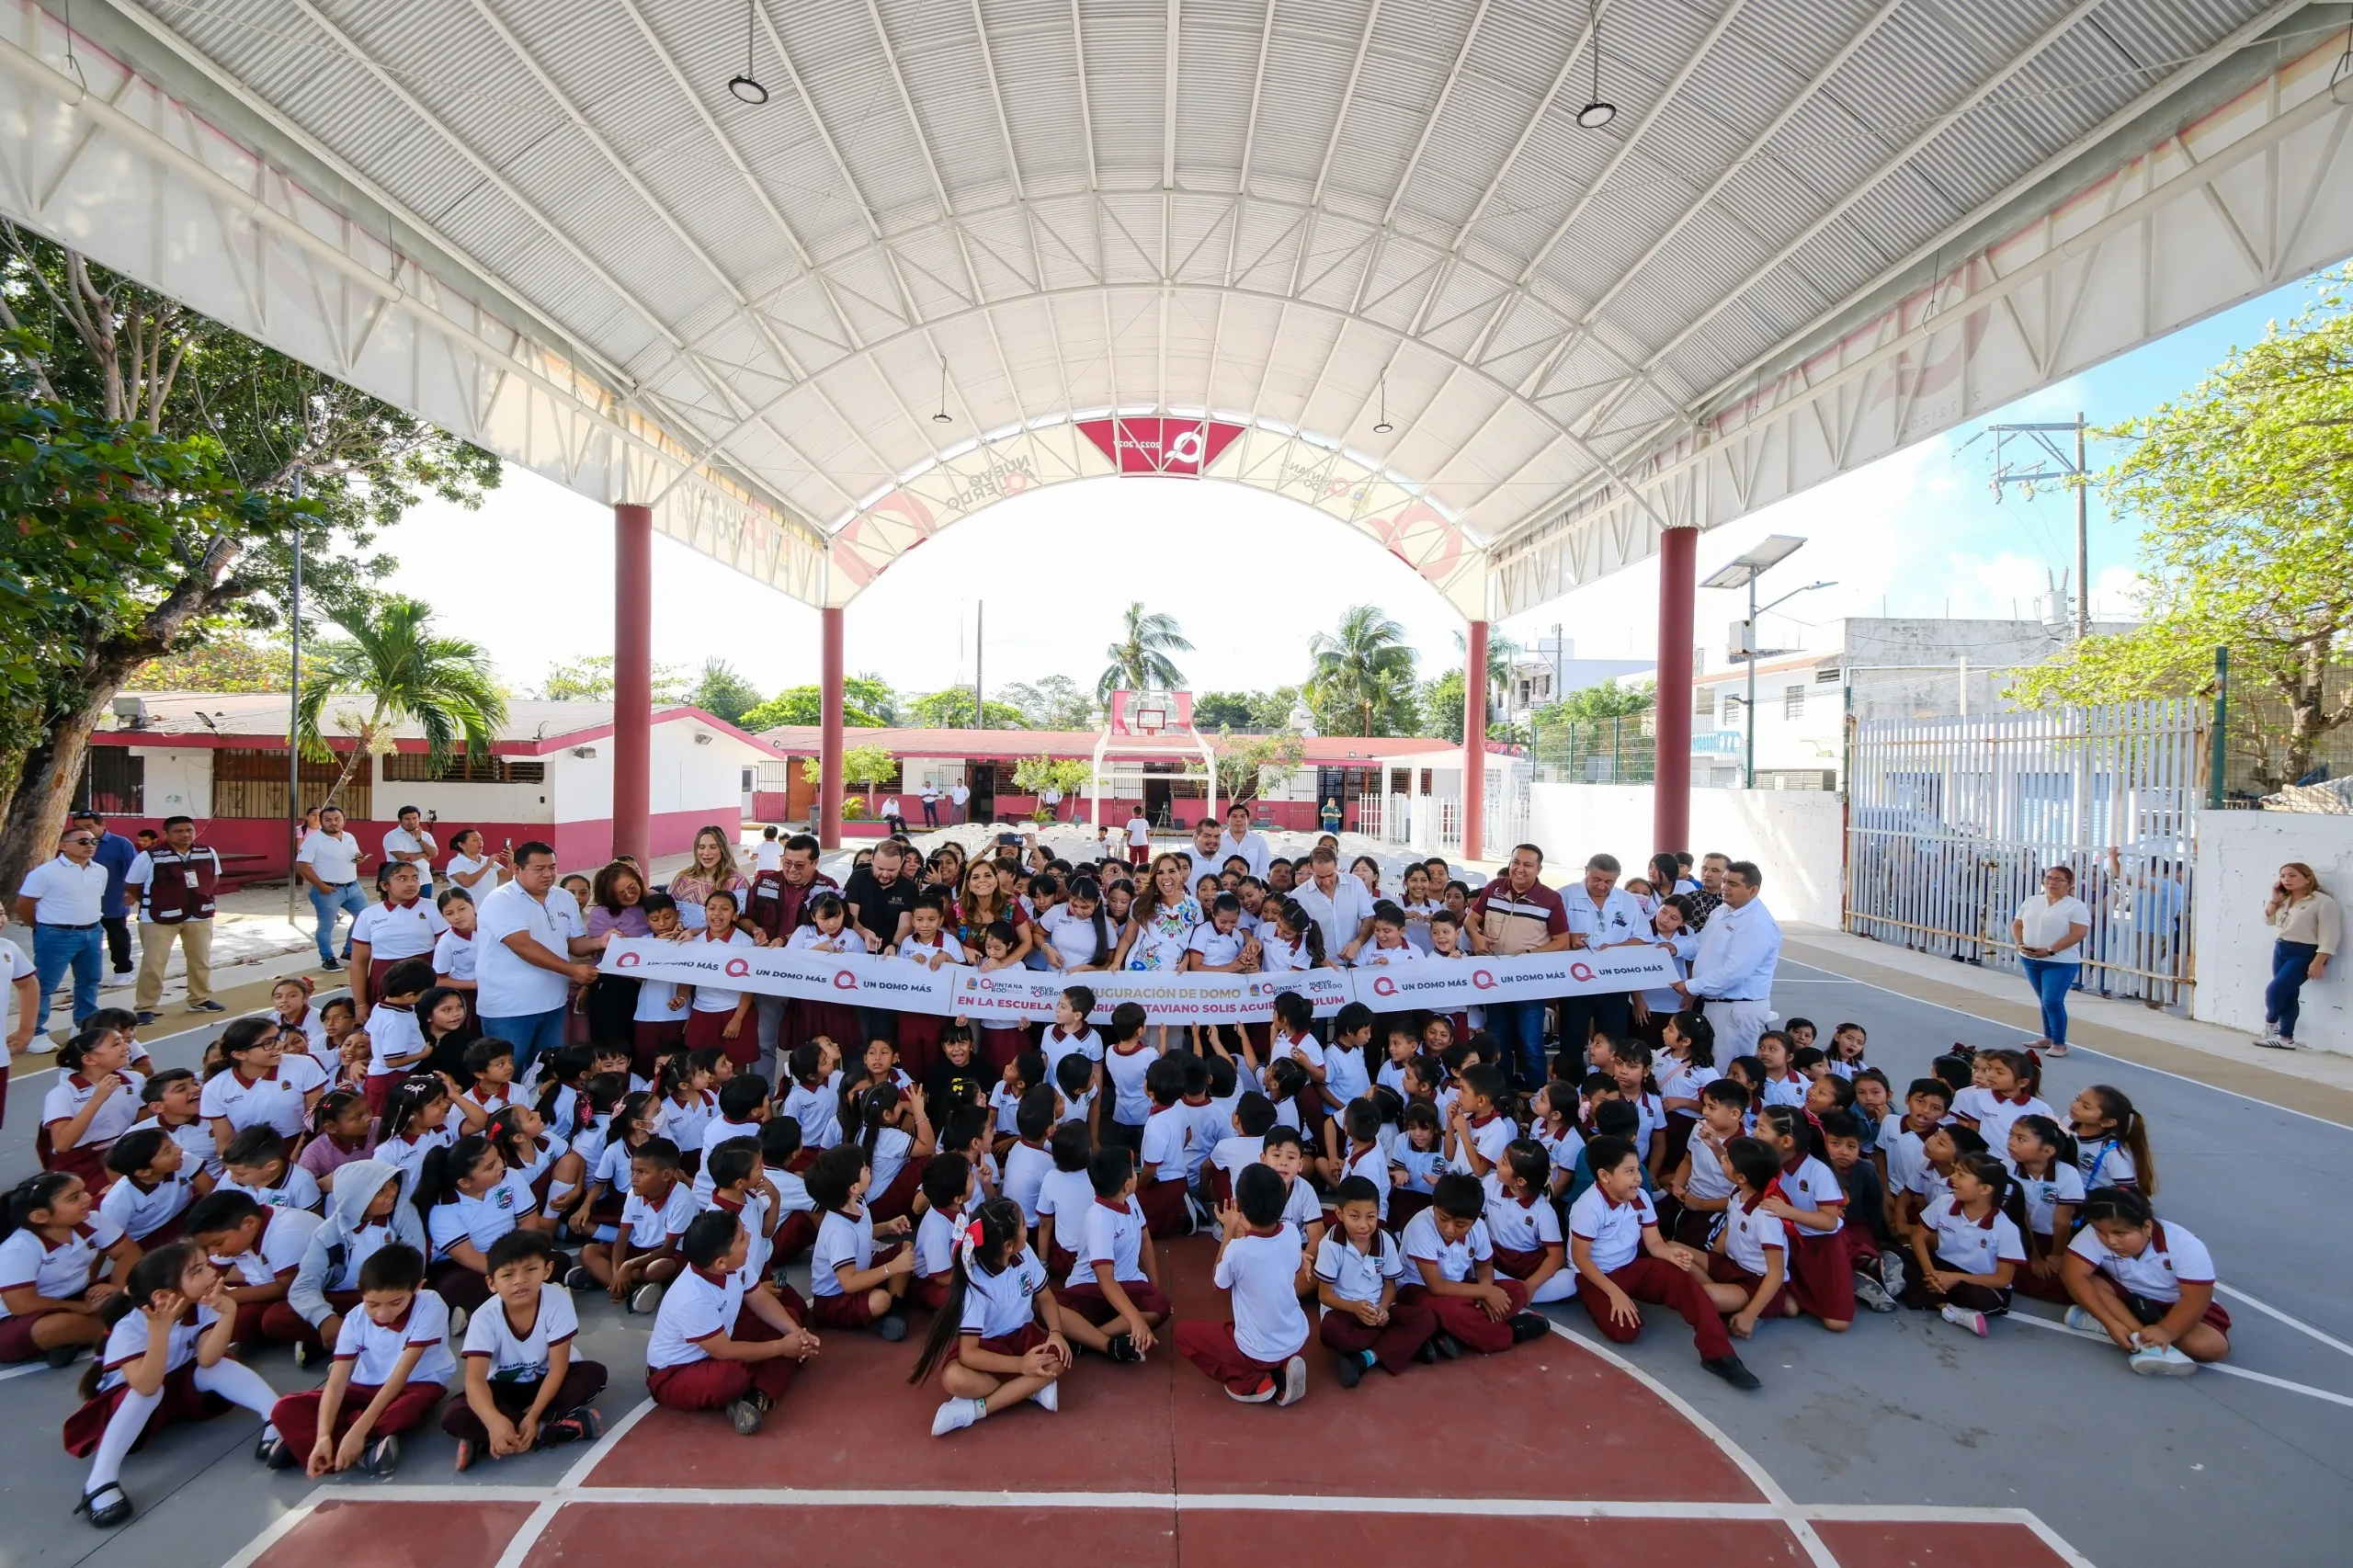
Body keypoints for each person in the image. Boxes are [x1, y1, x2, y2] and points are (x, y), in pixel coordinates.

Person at [63, 1242, 284, 1528]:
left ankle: (278, 1416)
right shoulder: (130, 1328)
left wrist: (228, 1312)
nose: (212, 1273)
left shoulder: (200, 1305)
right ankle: (99, 1482)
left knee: (218, 1365)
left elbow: (207, 1359)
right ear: (162, 1296)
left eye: (206, 1265)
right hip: (133, 1406)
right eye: (198, 1271)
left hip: (177, 1390)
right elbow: (145, 1386)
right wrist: (159, 1331)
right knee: (149, 1394)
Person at [1569, 1136, 1760, 1388]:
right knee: (1626, 1332)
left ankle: (1719, 1354)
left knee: (1683, 1280)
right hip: (1598, 1276)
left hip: (1632, 1266)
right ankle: (1596, 1302)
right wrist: (1615, 1293)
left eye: (1638, 1169)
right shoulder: (1587, 1207)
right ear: (1605, 1176)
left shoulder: (1639, 1197)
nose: (1638, 1178)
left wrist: (1670, 1254)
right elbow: (1581, 1259)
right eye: (1629, 1171)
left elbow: (1654, 1243)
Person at [444, 1230, 608, 1469]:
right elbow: (475, 1381)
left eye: (530, 1270)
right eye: (508, 1274)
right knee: (454, 1414)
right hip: (504, 1386)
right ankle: (550, 1429)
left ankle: (493, 1437)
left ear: (547, 1271)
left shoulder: (558, 1301)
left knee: (593, 1375)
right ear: (491, 1283)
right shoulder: (484, 1317)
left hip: (548, 1381)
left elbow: (558, 1368)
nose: (519, 1281)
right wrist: (493, 1421)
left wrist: (532, 1415)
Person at [644, 1210, 817, 1435]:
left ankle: (754, 1397)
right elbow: (724, 1351)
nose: (750, 1237)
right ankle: (755, 1390)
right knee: (732, 1376)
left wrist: (795, 1332)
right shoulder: (692, 1297)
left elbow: (760, 1299)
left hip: (719, 1341)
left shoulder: (736, 1263)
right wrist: (781, 1347)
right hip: (677, 1371)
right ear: (720, 1262)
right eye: (742, 1237)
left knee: (789, 1318)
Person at [1175, 1165, 1309, 1406]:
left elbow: (1218, 1283)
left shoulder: (1238, 1250)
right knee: (1237, 1326)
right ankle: (1283, 1366)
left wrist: (1228, 1231)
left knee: (1183, 1334)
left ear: (1242, 1206)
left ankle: (1253, 1382)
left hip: (1256, 1351)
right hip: (1295, 1337)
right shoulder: (1291, 1233)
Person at [2060, 1186, 2230, 1375]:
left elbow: (2196, 1298)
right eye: (2101, 1231)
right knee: (2091, 1283)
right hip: (2128, 1298)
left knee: (2210, 1347)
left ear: (2147, 1227)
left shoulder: (2185, 1245)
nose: (2111, 1241)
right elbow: (2072, 1274)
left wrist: (2166, 1331)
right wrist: (2110, 1323)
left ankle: (2130, 1331)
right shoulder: (2093, 1233)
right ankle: (2143, 1341)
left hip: (2175, 1305)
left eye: (2120, 1233)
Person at [475, 844, 599, 1074]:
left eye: (552, 867)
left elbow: (573, 942)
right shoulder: (501, 899)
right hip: (510, 1008)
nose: (548, 874)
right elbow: (522, 945)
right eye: (539, 869)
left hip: (554, 1003)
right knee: (507, 1074)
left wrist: (600, 942)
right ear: (516, 869)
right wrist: (572, 971)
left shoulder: (564, 898)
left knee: (547, 1073)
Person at [1467, 844, 1574, 1089]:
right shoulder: (1494, 888)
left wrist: (1530, 955)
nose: (1520, 869)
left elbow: (1562, 941)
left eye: (1527, 864)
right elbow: (1471, 920)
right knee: (1498, 1042)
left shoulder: (1550, 898)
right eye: (1516, 862)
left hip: (1529, 984)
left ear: (1539, 869)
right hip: (1495, 979)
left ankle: (1537, 1096)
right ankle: (1502, 1094)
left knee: (1531, 1045)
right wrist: (1476, 937)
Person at [1677, 860, 1779, 1060]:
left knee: (1728, 1069)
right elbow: (1702, 940)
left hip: (1736, 1009)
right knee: (1710, 1064)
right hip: (1715, 1004)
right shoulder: (1723, 910)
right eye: (1724, 881)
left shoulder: (1757, 924)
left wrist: (1690, 986)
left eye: (1733, 884)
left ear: (1753, 890)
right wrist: (1675, 947)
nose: (1725, 887)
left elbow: (1734, 972)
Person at [1560, 853, 1647, 1055]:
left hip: (1614, 982)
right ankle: (1569, 1074)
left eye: (1608, 882)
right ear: (1586, 872)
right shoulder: (1564, 896)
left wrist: (1617, 948)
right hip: (1574, 982)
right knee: (1571, 1040)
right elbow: (1548, 935)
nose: (1601, 886)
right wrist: (1569, 939)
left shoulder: (1627, 901)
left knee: (1614, 1042)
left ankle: (1608, 1075)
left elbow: (1643, 938)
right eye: (1596, 879)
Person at [2011, 866, 2092, 1057]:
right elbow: (2018, 923)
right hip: (2031, 959)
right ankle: (2048, 1036)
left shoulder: (2075, 906)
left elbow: (2078, 933)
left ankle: (2059, 1043)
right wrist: (2019, 943)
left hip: (2060, 962)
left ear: (2070, 884)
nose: (2052, 882)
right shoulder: (2032, 901)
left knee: (2052, 1000)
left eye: (2058, 879)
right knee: (2044, 1000)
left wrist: (2050, 950)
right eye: (2049, 878)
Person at [2257, 861, 2338, 1051]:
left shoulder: (2322, 902)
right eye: (2283, 876)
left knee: (2275, 991)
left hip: (2303, 952)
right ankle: (2286, 1037)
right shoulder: (2284, 899)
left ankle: (2271, 1023)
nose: (2286, 879)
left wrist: (2319, 961)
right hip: (2280, 949)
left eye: (2292, 875)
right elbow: (2268, 920)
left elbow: (2330, 935)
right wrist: (2274, 900)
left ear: (2308, 878)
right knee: (2289, 993)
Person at [294, 806, 369, 971]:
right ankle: (327, 959)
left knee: (364, 918)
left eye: (337, 819)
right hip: (328, 889)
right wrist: (321, 886)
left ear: (344, 820)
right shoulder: (313, 841)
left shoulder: (349, 837)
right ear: (321, 821)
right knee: (326, 926)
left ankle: (348, 952)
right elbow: (302, 866)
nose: (333, 823)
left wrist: (359, 858)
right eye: (328, 820)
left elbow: (355, 854)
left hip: (353, 887)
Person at [69, 812, 138, 979]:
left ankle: (123, 971)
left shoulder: (121, 844)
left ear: (103, 825)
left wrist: (132, 892)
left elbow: (135, 869)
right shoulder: (72, 844)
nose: (84, 831)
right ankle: (88, 975)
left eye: (89, 826)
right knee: (85, 940)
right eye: (78, 827)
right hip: (82, 903)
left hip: (112, 900)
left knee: (117, 938)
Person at [382, 806, 440, 900]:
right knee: (403, 906)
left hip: (425, 880)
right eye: (407, 819)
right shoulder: (392, 836)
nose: (412, 822)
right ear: (399, 820)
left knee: (424, 906)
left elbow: (434, 854)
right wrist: (423, 854)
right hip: (402, 880)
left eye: (414, 818)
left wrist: (420, 840)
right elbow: (403, 858)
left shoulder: (426, 835)